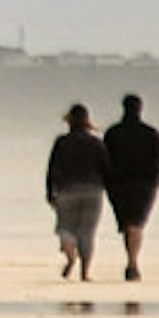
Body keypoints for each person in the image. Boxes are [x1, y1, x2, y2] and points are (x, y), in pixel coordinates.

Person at [102, 93, 159, 284]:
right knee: (136, 224)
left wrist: (107, 181)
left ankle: (131, 261)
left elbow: (105, 159)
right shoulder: (150, 133)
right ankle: (132, 263)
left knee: (127, 224)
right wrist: (156, 180)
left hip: (118, 184)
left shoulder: (113, 133)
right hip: (144, 184)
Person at [47, 103, 108, 282]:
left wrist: (50, 191)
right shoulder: (96, 143)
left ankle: (70, 256)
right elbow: (106, 169)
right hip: (93, 191)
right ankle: (85, 272)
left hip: (67, 190)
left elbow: (52, 169)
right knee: (88, 232)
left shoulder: (61, 142)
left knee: (65, 228)